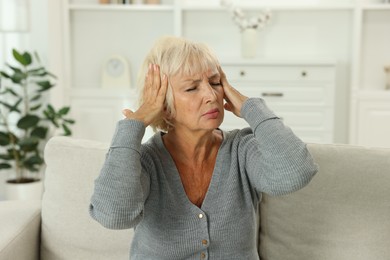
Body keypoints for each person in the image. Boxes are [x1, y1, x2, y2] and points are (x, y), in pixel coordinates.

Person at [89, 36, 318, 260]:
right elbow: (113, 215)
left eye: (215, 83)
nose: (211, 95)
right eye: (191, 88)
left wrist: (251, 107)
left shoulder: (241, 151)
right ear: (165, 107)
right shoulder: (145, 162)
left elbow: (296, 172)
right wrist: (133, 125)